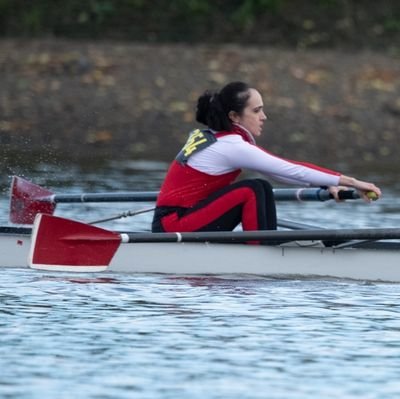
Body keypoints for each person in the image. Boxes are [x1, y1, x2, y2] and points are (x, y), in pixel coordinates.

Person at [152, 81, 381, 235]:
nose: (264, 116)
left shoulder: (213, 137)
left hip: (178, 219)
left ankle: (263, 245)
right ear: (234, 116)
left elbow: (278, 172)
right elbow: (290, 169)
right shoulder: (230, 146)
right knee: (253, 190)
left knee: (259, 186)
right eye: (256, 111)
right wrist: (352, 182)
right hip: (173, 225)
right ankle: (262, 250)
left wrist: (328, 182)